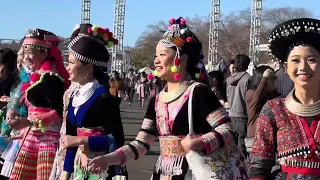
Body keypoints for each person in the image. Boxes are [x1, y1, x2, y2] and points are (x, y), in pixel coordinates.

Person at [88, 17, 248, 180]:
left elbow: (227, 130)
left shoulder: (198, 92)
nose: (156, 60)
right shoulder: (157, 101)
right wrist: (109, 158)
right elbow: (141, 143)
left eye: (162, 54)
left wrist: (200, 142)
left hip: (194, 172)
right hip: (163, 173)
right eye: (156, 55)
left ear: (182, 58)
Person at [249, 18, 320, 179]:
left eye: (312, 60)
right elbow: (259, 166)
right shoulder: (273, 109)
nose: (303, 67)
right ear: (286, 67)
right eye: (295, 60)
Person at [54, 24, 126, 180]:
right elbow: (70, 141)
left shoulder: (104, 98)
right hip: (80, 168)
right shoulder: (75, 95)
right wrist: (65, 173)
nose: (67, 67)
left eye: (72, 63)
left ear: (88, 67)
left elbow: (116, 140)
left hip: (101, 168)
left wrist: (82, 140)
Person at [7, 29, 70, 180]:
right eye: (24, 51)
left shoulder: (51, 78)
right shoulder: (33, 77)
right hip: (31, 136)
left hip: (47, 141)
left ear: (44, 53)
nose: (25, 57)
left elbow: (59, 112)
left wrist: (28, 122)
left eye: (30, 52)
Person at [0, 47, 28, 178]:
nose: (21, 59)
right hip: (11, 134)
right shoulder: (17, 82)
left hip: (22, 137)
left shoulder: (23, 82)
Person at [245, 66, 280, 150]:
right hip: (255, 136)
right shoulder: (250, 93)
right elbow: (255, 101)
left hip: (270, 136)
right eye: (271, 80)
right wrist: (264, 79)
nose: (273, 82)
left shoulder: (273, 95)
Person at [226, 54, 251, 157]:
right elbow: (249, 98)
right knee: (242, 143)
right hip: (243, 114)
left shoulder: (230, 79)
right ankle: (243, 167)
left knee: (233, 142)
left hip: (232, 114)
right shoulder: (248, 79)